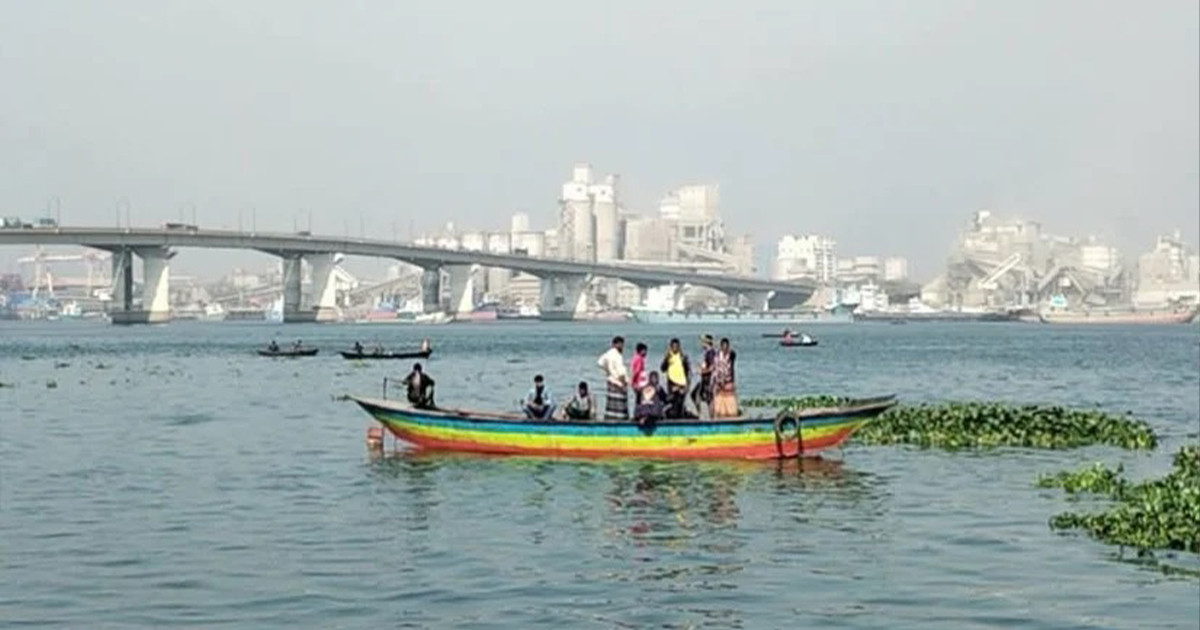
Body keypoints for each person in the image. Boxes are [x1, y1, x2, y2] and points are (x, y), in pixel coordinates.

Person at [596, 336, 629, 420]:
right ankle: (620, 421)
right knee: (620, 405)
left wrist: (608, 371)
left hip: (610, 381)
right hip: (618, 382)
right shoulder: (617, 355)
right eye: (621, 344)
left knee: (611, 404)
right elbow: (621, 371)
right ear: (616, 344)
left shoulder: (608, 353)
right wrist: (624, 383)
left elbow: (600, 363)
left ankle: (610, 419)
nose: (622, 347)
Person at [659, 338, 692, 419]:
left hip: (682, 384)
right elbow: (662, 369)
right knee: (672, 404)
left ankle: (680, 421)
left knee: (680, 404)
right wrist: (666, 359)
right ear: (670, 347)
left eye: (676, 346)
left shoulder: (683, 357)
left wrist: (687, 386)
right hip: (672, 385)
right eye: (673, 347)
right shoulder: (669, 357)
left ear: (679, 347)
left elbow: (688, 371)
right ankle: (672, 420)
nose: (675, 348)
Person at [711, 337, 739, 418]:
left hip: (728, 383)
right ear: (721, 347)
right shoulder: (717, 357)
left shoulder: (731, 356)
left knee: (731, 408)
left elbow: (733, 355)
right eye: (723, 347)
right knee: (719, 409)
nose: (725, 349)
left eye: (726, 347)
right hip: (719, 384)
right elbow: (715, 369)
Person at [690, 334, 717, 418]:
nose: (701, 344)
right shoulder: (708, 353)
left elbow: (712, 367)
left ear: (707, 343)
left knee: (709, 399)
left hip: (709, 380)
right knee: (696, 395)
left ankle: (708, 417)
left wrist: (701, 371)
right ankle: (702, 414)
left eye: (703, 342)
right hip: (704, 380)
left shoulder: (711, 353)